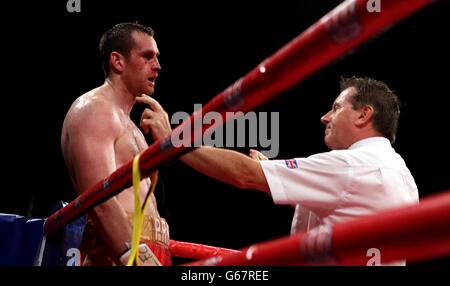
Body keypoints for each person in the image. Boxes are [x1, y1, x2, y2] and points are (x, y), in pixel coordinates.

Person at [147, 76, 419, 265]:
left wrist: (174, 143)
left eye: (336, 108)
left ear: (363, 115)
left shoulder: (351, 165)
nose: (325, 117)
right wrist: (273, 174)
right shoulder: (401, 173)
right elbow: (347, 212)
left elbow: (245, 174)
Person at [61, 22, 172, 266]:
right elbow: (99, 200)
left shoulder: (132, 127)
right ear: (118, 61)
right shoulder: (94, 109)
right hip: (116, 251)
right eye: (147, 56)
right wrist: (138, 260)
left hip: (144, 247)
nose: (157, 65)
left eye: (157, 57)